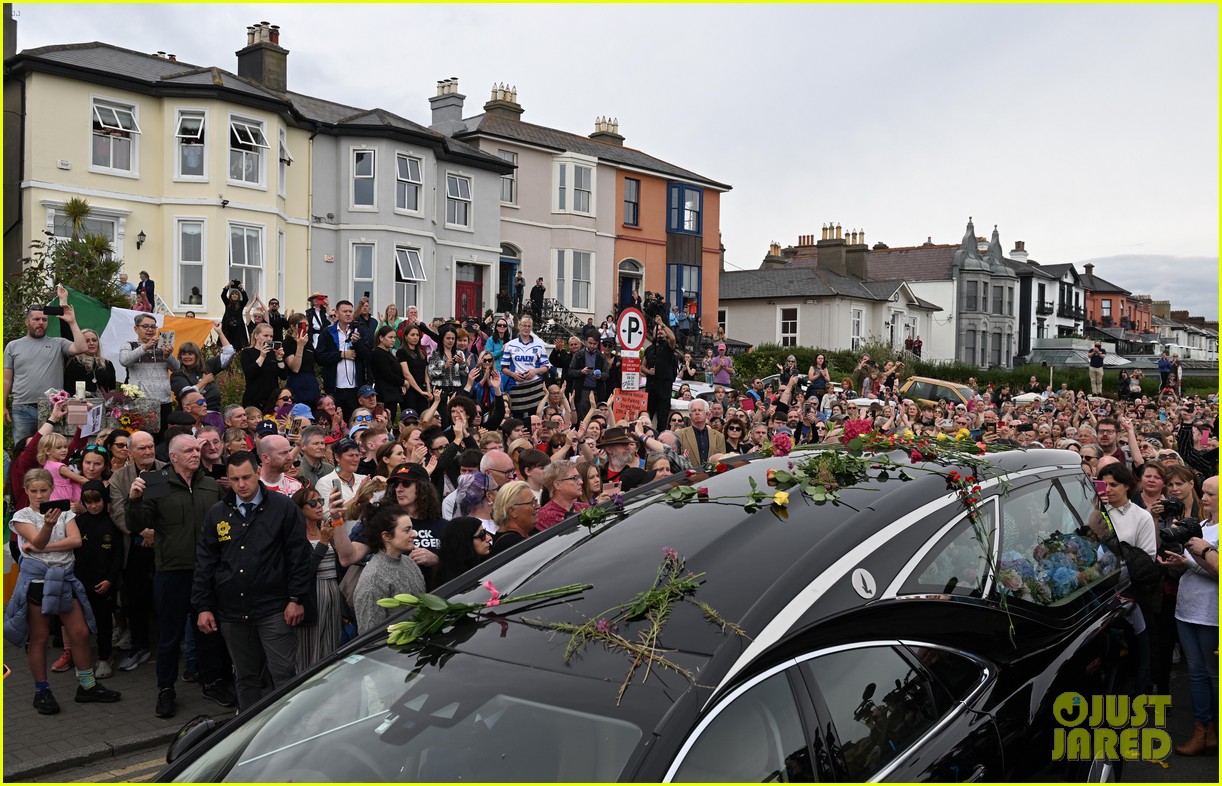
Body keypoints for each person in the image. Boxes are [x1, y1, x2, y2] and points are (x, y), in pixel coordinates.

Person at [194, 452, 313, 711]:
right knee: (245, 678)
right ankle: (249, 735)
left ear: (258, 472)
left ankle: (287, 731)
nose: (241, 485)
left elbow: (298, 555)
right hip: (232, 612)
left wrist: (296, 599)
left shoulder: (283, 507)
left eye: (246, 477)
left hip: (274, 608)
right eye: (234, 479)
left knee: (283, 675)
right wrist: (203, 607)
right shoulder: (217, 513)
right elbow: (205, 563)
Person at [128, 434, 235, 717]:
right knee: (170, 635)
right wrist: (135, 501)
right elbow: (137, 524)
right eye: (188, 450)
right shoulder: (158, 483)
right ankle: (166, 689)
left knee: (208, 632)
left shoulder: (210, 485)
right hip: (172, 572)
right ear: (172, 457)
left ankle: (212, 681)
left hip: (207, 572)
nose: (195, 454)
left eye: (196, 449)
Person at [6, 468, 122, 714]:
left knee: (79, 633)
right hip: (38, 582)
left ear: (51, 489)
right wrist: (45, 531)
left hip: (66, 578)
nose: (39, 495)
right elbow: (36, 541)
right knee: (39, 637)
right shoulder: (21, 516)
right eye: (34, 491)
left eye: (43, 490)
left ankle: (87, 686)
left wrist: (40, 546)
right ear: (26, 491)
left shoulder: (66, 512)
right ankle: (42, 690)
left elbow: (75, 541)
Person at [1157, 475, 1218, 756]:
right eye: (1203, 493)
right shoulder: (1201, 526)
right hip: (1187, 609)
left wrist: (1199, 557)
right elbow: (1197, 566)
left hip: (1212, 614)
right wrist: (1182, 563)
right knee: (1196, 674)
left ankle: (1214, 730)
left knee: (1213, 675)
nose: (1204, 499)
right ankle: (1201, 730)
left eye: (1211, 494)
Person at [4, 297, 89, 443]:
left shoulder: (57, 343)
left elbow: (82, 347)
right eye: (36, 319)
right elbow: (6, 379)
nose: (41, 323)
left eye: (44, 320)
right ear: (27, 322)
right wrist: (2, 405)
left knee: (50, 451)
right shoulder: (13, 346)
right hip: (22, 407)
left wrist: (72, 322)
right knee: (22, 450)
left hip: (52, 408)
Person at [291, 486, 353, 670]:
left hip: (333, 591)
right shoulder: (296, 536)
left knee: (332, 643)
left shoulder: (325, 529)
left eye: (320, 501)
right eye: (312, 503)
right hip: (312, 595)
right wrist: (323, 543)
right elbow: (304, 571)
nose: (318, 506)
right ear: (300, 508)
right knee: (310, 648)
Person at [71, 480, 123, 679]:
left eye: (97, 501)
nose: (93, 506)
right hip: (81, 583)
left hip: (104, 584)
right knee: (81, 625)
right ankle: (82, 660)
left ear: (105, 499)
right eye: (88, 502)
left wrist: (110, 580)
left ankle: (104, 657)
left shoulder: (113, 524)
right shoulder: (78, 522)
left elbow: (118, 556)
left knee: (104, 623)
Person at [352, 505, 427, 634]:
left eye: (412, 528)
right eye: (407, 530)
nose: (414, 534)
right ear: (386, 536)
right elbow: (369, 635)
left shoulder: (410, 562)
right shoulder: (373, 579)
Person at [315, 300, 370, 419]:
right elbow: (320, 357)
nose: (348, 314)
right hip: (335, 388)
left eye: (350, 311)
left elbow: (367, 355)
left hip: (355, 388)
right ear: (337, 313)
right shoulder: (327, 332)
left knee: (354, 420)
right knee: (335, 421)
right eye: (345, 311)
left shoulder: (360, 330)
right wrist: (341, 355)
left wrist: (357, 343)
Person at [171, 333, 234, 415]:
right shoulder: (177, 374)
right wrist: (204, 381)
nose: (186, 357)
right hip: (192, 416)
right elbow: (187, 394)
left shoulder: (207, 367)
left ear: (197, 356)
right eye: (183, 354)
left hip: (214, 413)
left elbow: (229, 353)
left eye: (190, 354)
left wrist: (220, 332)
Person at [502, 316, 551, 419]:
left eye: (529, 326)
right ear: (519, 326)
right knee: (518, 419)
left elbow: (546, 366)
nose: (526, 328)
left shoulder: (539, 345)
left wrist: (535, 371)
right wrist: (513, 374)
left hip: (535, 386)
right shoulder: (510, 345)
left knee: (535, 417)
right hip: (517, 386)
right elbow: (504, 368)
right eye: (524, 325)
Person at [432, 516, 492, 586]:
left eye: (486, 532)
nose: (489, 538)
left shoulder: (487, 565)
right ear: (466, 541)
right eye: (482, 534)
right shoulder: (452, 585)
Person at [641, 316, 678, 428]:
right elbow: (642, 366)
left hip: (664, 387)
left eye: (662, 330)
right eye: (657, 330)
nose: (660, 332)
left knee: (662, 418)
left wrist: (662, 324)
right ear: (653, 333)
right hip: (651, 387)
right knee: (648, 415)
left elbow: (672, 339)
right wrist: (648, 371)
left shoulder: (668, 346)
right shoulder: (649, 349)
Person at [240, 323, 286, 412]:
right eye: (265, 335)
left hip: (271, 399)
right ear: (256, 336)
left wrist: (279, 359)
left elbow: (283, 376)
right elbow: (250, 374)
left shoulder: (273, 354)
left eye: (271, 336)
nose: (269, 339)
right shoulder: (247, 352)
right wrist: (262, 356)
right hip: (253, 399)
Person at [63, 328, 118, 397]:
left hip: (102, 404)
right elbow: (68, 387)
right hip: (79, 404)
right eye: (87, 341)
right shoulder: (73, 362)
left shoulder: (107, 364)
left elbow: (111, 389)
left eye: (94, 340)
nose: (91, 343)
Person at [536, 461, 589, 531]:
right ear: (557, 485)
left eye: (579, 477)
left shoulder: (584, 507)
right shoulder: (545, 515)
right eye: (574, 478)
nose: (581, 482)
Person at [490, 480, 539, 555]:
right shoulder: (510, 545)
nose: (538, 506)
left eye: (535, 501)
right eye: (532, 503)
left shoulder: (530, 532)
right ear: (512, 511)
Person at [677, 399, 726, 466]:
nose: (697, 413)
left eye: (700, 410)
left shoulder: (719, 436)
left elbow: (722, 460)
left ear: (707, 414)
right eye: (694, 410)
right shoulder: (680, 435)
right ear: (690, 415)